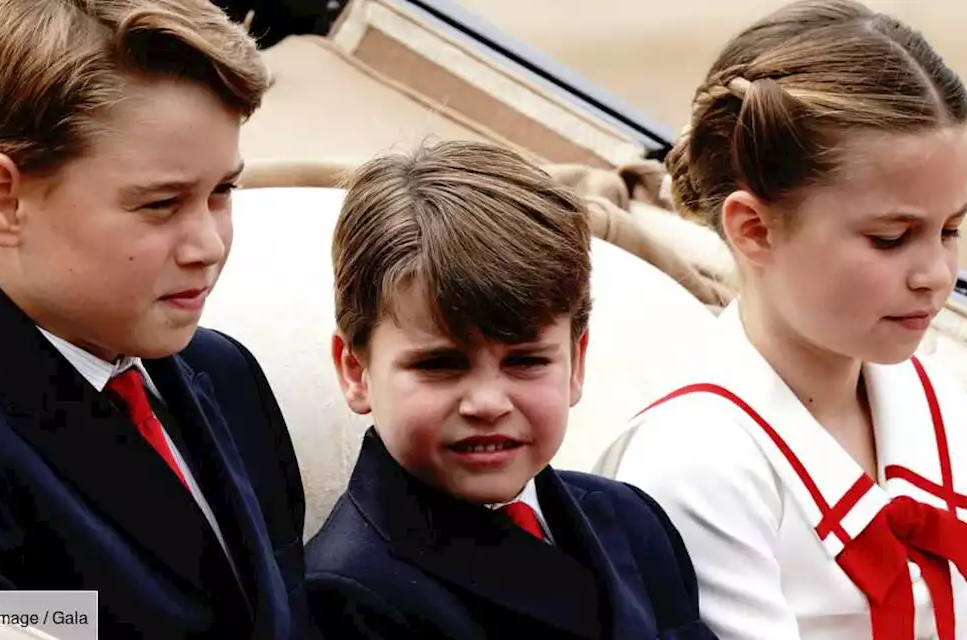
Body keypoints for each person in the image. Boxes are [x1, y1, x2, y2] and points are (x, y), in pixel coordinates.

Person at [0, 1, 312, 637]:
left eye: (222, 192)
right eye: (160, 204)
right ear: (4, 200)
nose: (208, 242)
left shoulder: (225, 373)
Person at [612, 1, 967, 638]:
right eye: (890, 238)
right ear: (754, 229)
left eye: (950, 229)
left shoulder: (941, 410)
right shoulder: (693, 461)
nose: (934, 272)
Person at [304, 140, 715, 639]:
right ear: (355, 369)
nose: (488, 403)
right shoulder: (344, 600)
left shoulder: (631, 520)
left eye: (525, 361)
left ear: (575, 363)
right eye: (440, 365)